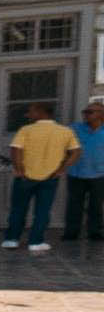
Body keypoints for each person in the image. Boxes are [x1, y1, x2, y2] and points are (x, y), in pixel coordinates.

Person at [3, 101, 80, 252]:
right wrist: (62, 169)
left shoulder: (26, 130)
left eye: (30, 112)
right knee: (43, 211)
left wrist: (19, 169)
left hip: (25, 176)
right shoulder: (65, 131)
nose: (28, 115)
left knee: (18, 209)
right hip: (50, 177)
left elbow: (16, 149)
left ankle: (12, 239)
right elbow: (76, 151)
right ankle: (36, 242)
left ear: (40, 113)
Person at [65, 99, 104, 242]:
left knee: (96, 205)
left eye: (89, 112)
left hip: (99, 174)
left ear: (101, 114)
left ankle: (95, 233)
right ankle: (71, 233)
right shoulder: (74, 128)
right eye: (85, 112)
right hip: (76, 173)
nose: (85, 115)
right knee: (74, 205)